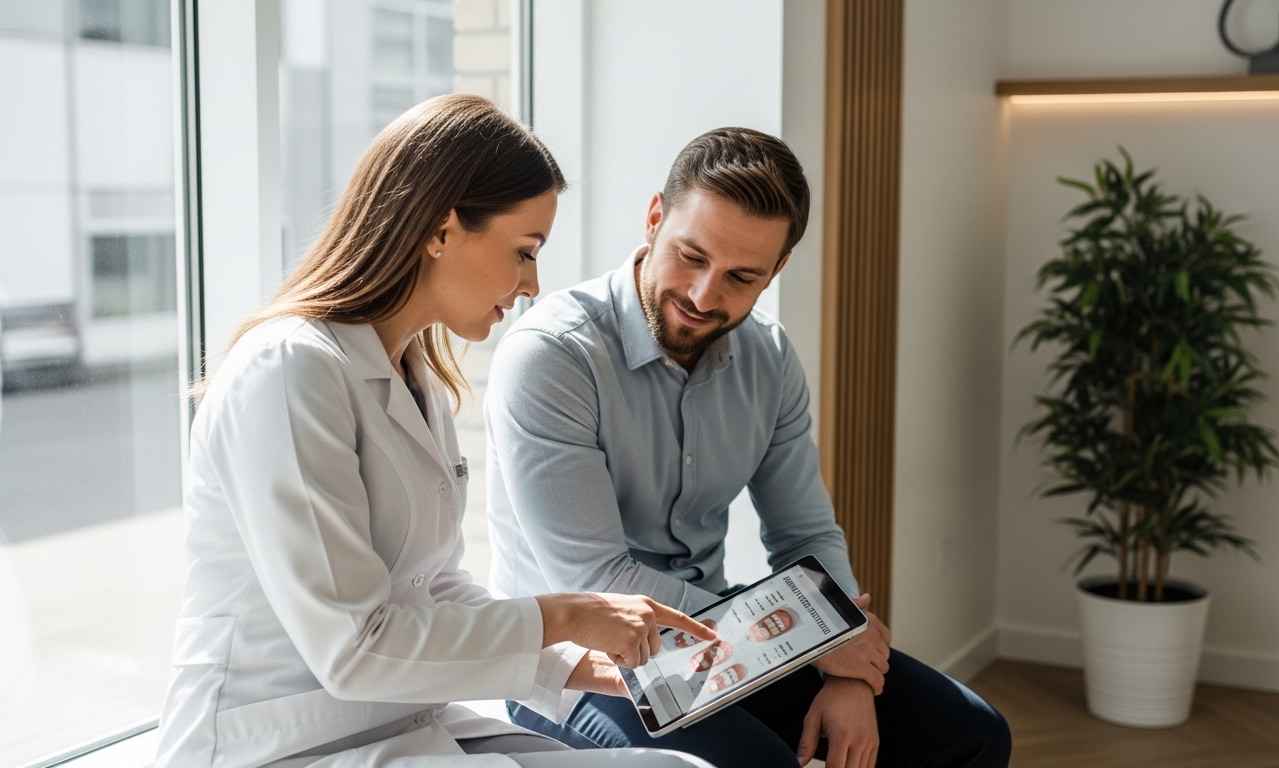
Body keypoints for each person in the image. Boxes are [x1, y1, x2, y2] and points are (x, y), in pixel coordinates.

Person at [152, 94, 719, 768]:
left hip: (394, 724)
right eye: (524, 251)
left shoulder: (413, 371)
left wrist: (579, 662)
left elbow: (433, 587)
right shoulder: (290, 371)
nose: (533, 284)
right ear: (441, 228)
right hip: (280, 746)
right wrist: (567, 615)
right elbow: (354, 648)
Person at [484, 127, 1012, 767]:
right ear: (655, 219)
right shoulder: (553, 356)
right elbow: (599, 584)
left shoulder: (769, 356)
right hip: (583, 664)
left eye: (741, 276)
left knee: (973, 732)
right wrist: (811, 641)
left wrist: (845, 669)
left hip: (726, 639)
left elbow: (806, 533)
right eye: (691, 256)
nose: (705, 296)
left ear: (777, 269)